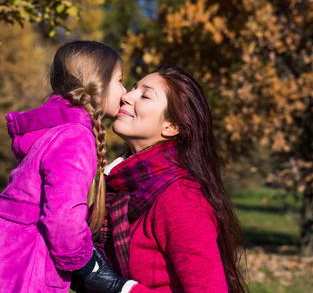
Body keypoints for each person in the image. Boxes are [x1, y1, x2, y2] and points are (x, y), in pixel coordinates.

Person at [0, 40, 126, 292]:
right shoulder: (75, 137)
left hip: (5, 268)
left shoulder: (53, 130)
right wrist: (91, 267)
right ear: (97, 84)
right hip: (27, 274)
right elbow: (64, 220)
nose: (124, 92)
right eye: (119, 80)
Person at [81, 65, 247, 292]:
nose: (126, 97)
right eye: (132, 88)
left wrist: (122, 289)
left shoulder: (180, 197)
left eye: (145, 95)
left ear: (171, 126)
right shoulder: (120, 188)